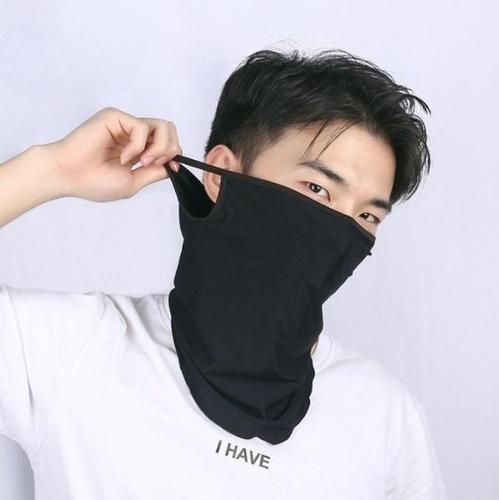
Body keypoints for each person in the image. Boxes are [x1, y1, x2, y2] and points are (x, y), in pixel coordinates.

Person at [0, 48, 448, 499]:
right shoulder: (76, 350)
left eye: (368, 217)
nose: (341, 230)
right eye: (317, 188)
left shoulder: (384, 414)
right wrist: (53, 169)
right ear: (220, 174)